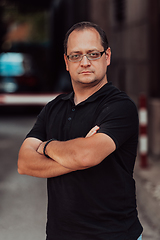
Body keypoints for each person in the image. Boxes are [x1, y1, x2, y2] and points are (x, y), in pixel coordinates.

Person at [18, 21, 143, 240]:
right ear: (66, 62)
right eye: (76, 55)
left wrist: (46, 146)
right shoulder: (53, 108)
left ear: (107, 56)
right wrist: (75, 156)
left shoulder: (120, 106)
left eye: (93, 54)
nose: (84, 62)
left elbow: (86, 155)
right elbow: (24, 163)